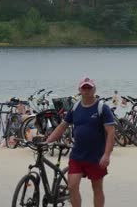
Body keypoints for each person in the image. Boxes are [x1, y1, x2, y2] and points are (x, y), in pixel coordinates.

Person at [46, 77, 115, 207]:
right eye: (84, 88)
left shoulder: (102, 108)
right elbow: (62, 126)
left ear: (94, 89)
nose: (87, 90)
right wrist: (48, 141)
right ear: (79, 90)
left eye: (89, 88)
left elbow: (111, 132)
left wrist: (107, 155)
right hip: (77, 155)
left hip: (96, 156)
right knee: (72, 186)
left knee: (97, 189)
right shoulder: (75, 108)